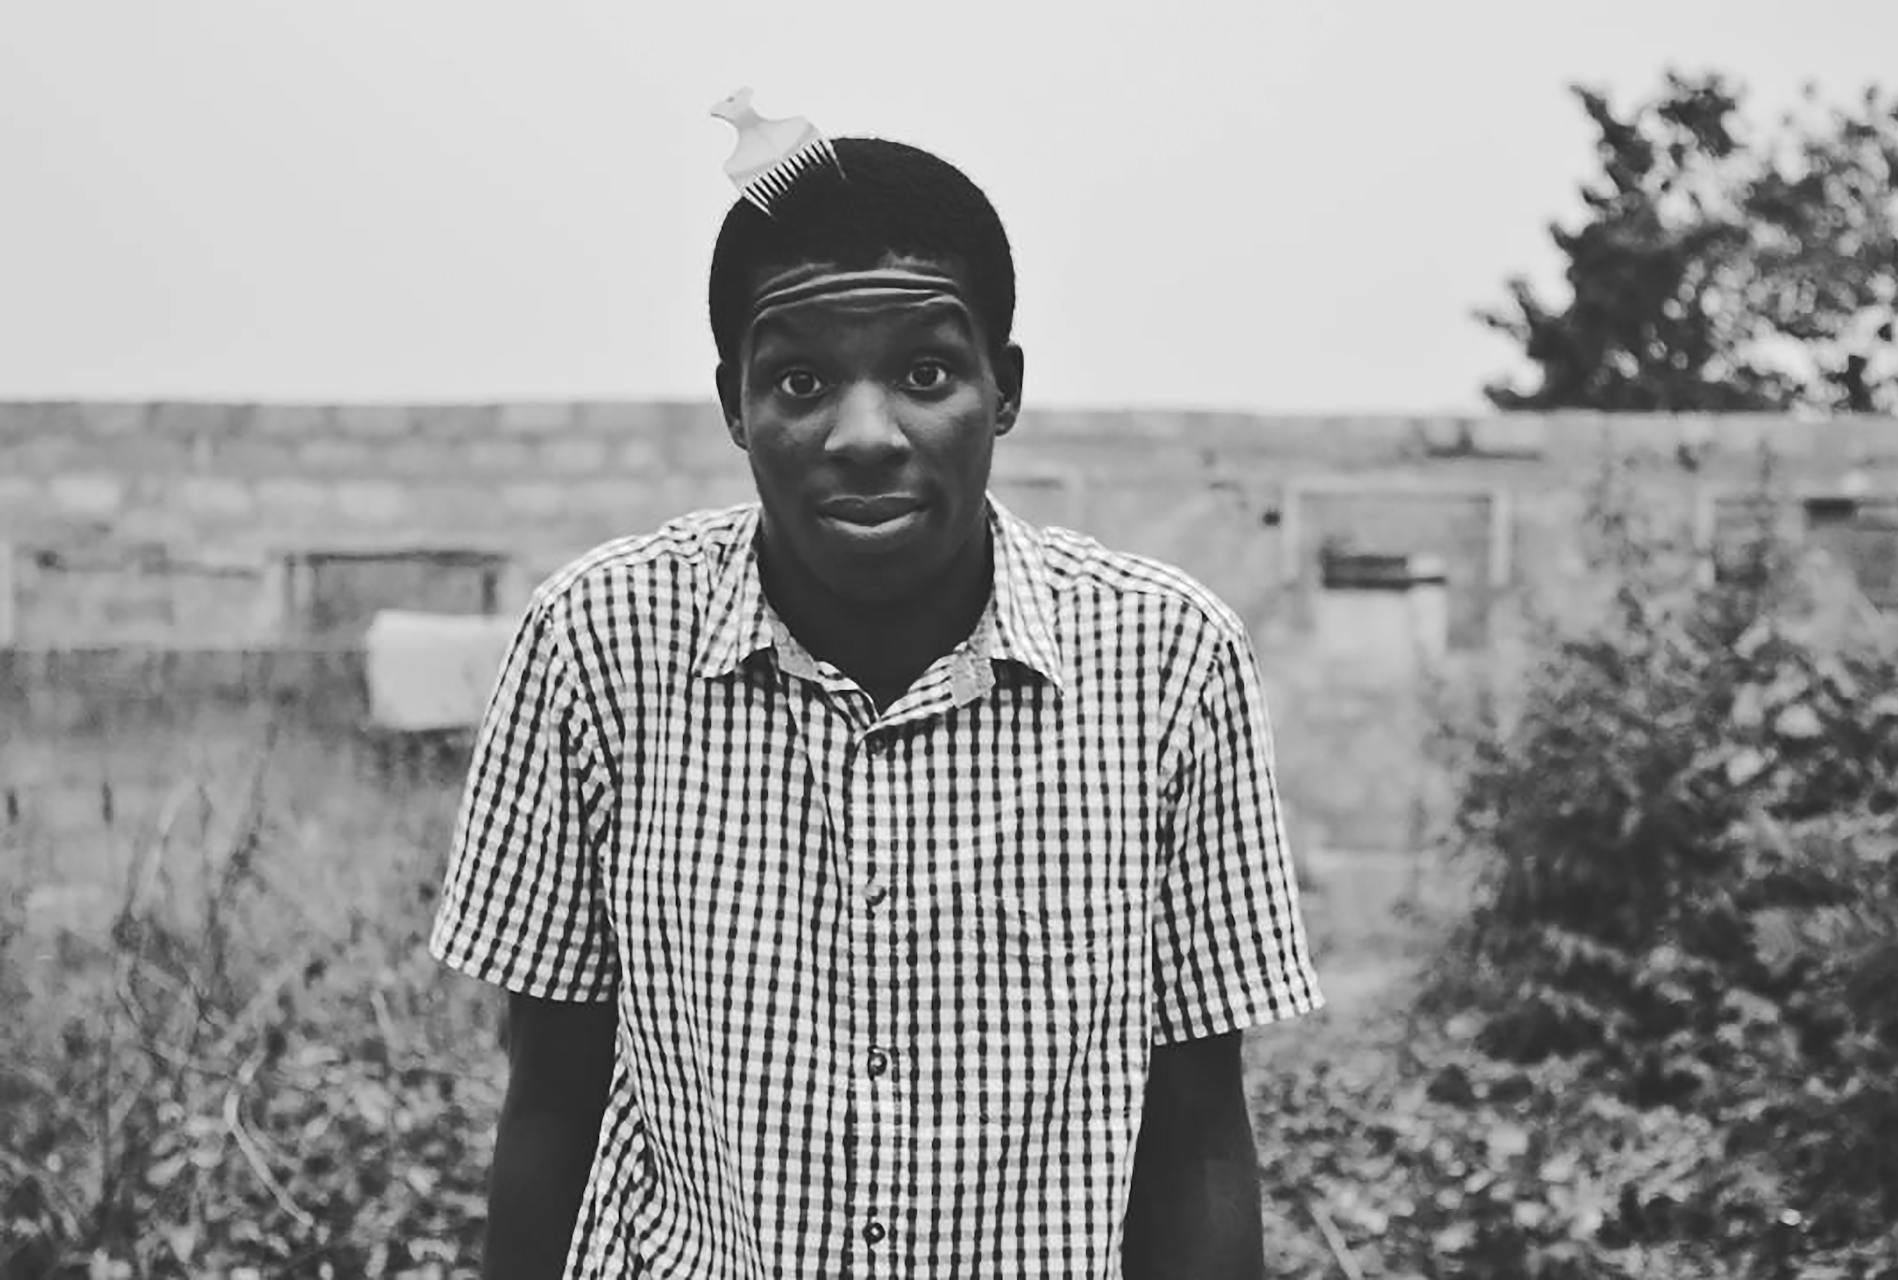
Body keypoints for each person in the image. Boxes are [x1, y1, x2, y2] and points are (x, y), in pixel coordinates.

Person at [430, 130, 1323, 1279]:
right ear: (734, 404)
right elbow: (550, 1096)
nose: (863, 435)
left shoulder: (1167, 663)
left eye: (925, 373)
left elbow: (1196, 1128)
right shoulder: (598, 643)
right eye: (801, 380)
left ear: (1003, 389)